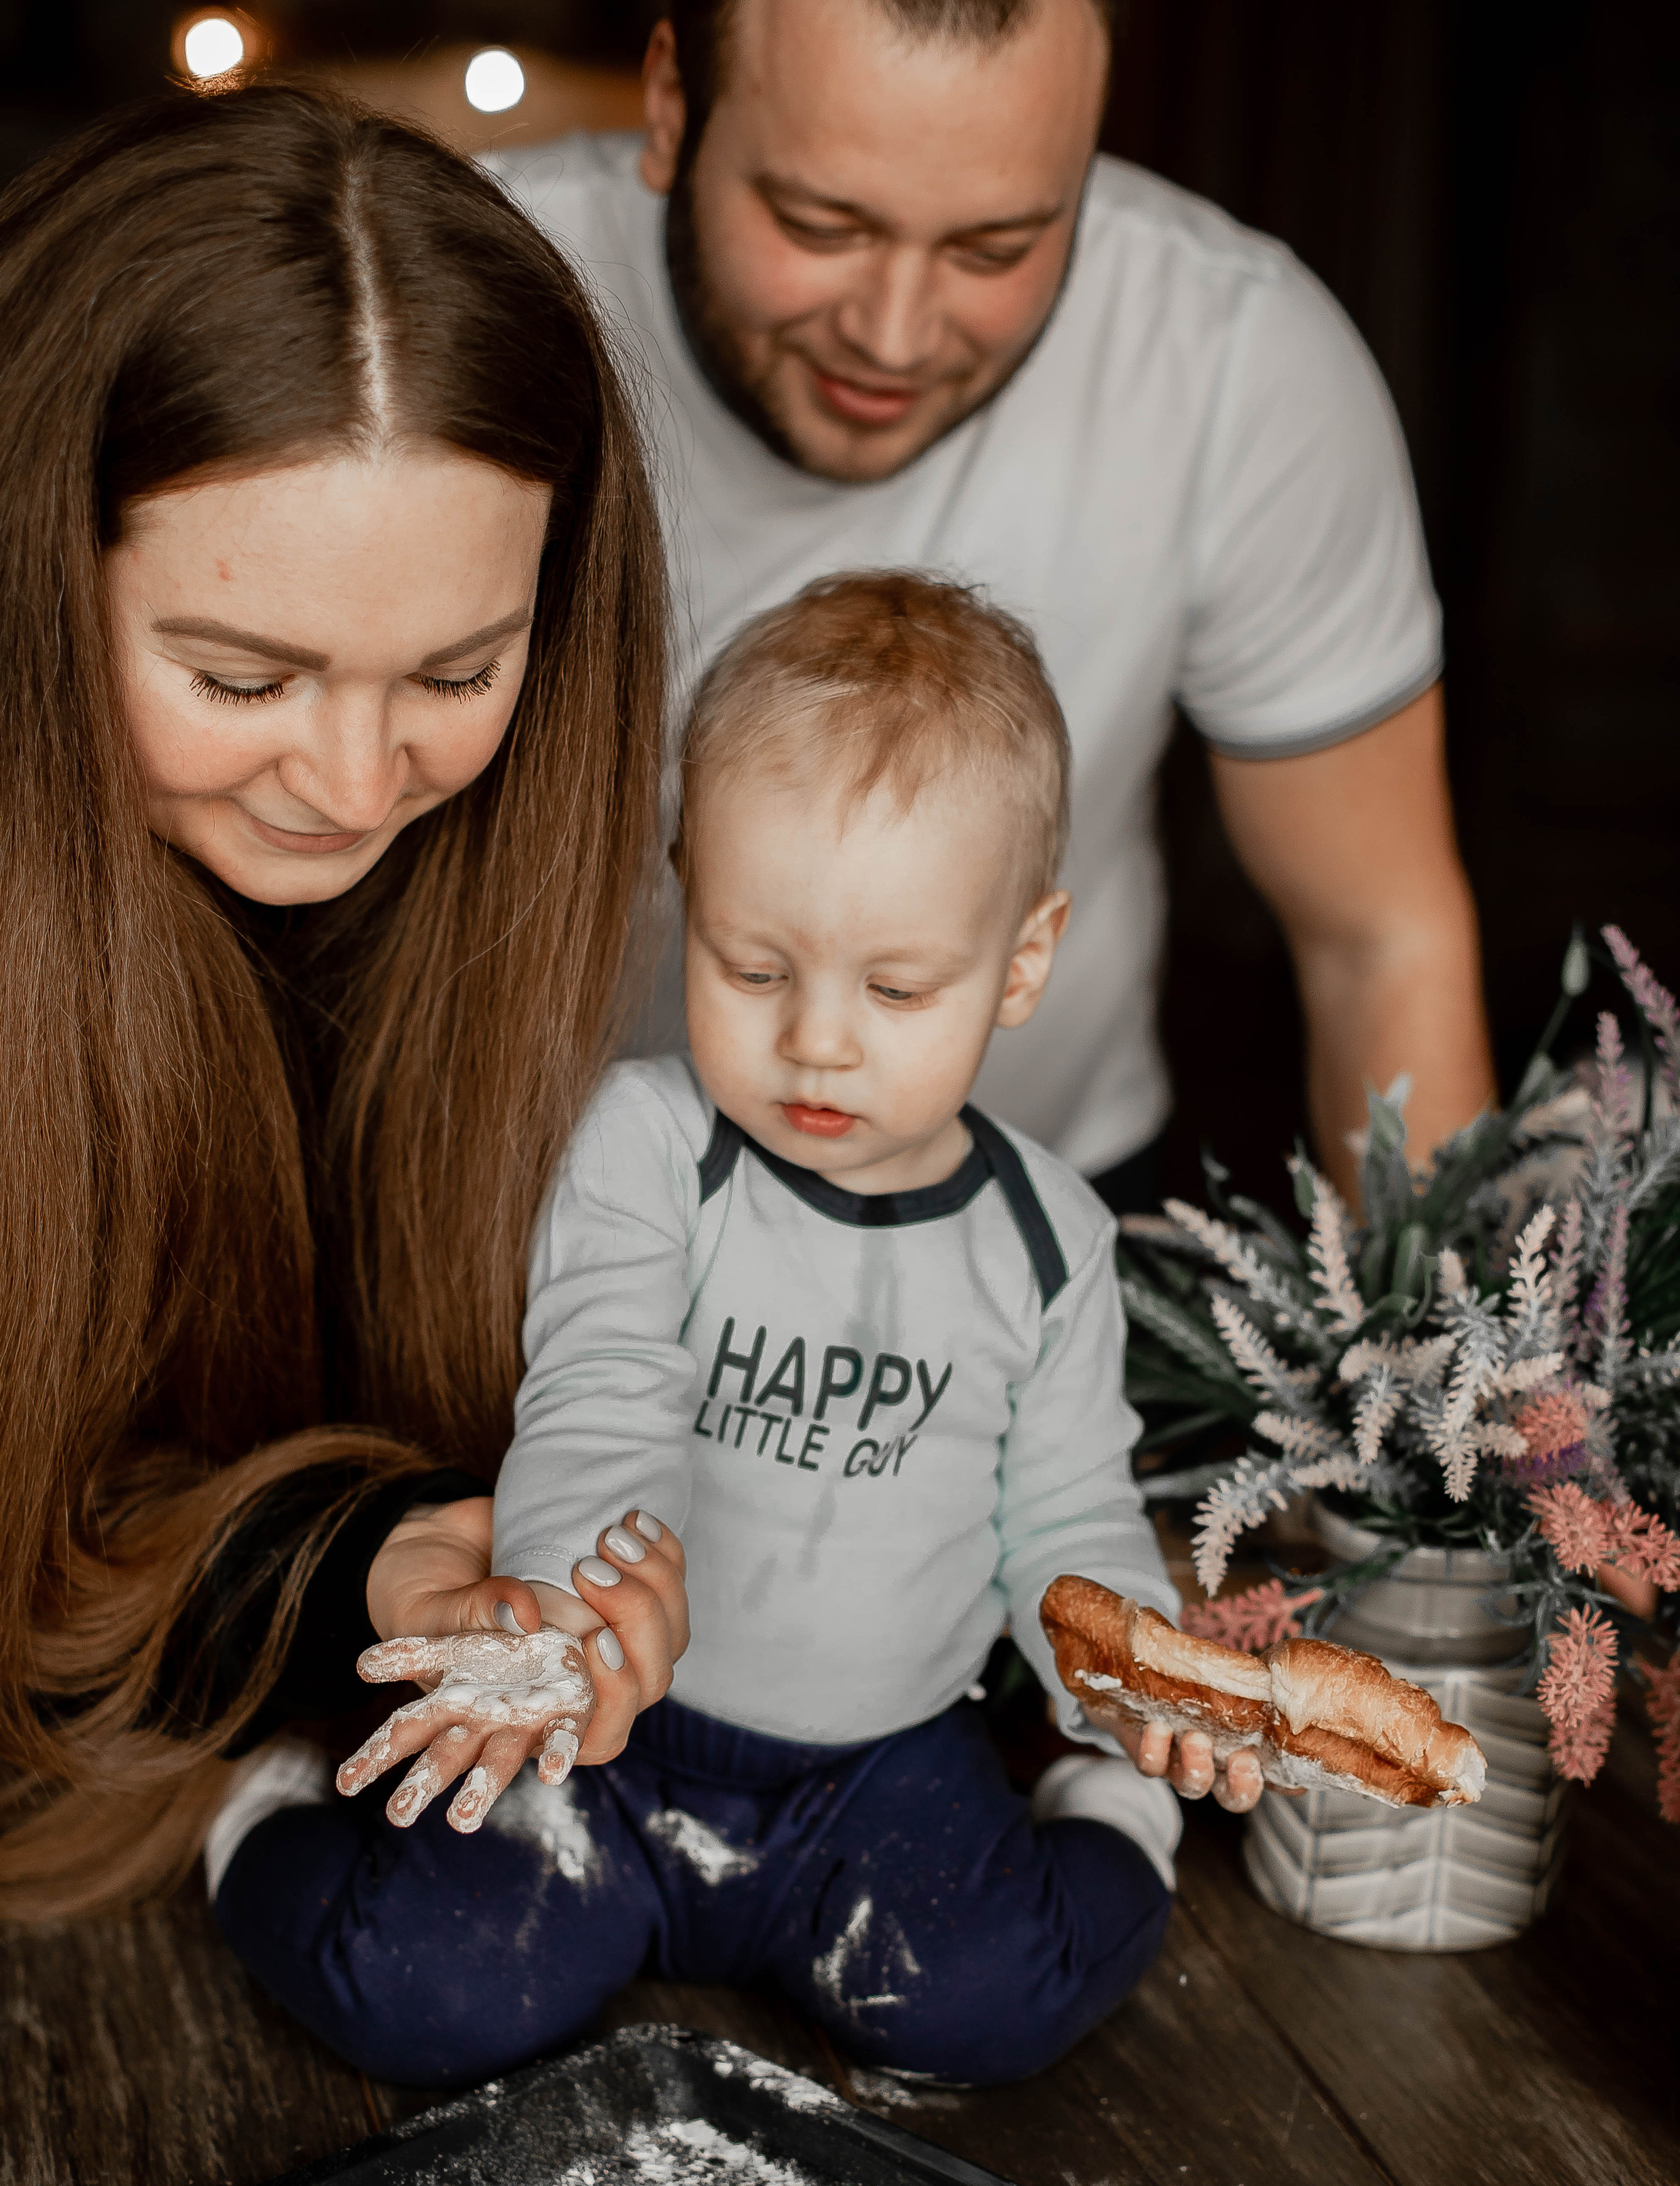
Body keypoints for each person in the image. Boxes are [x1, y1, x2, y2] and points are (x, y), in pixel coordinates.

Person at [265, 572, 1192, 2088]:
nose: (814, 1038)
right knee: (426, 1994)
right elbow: (602, 1388)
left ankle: (1105, 1825)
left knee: (982, 2003)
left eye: (896, 987)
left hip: (877, 1766)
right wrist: (575, 1621)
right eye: (751, 968)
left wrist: (1131, 1681)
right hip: (624, 1740)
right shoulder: (650, 1145)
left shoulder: (1050, 1241)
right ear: (688, 893)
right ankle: (262, 1819)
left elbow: (1070, 1514)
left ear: (1022, 959)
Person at [0, 82, 687, 1923]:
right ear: (34, 590)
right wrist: (352, 1561)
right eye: (238, 674)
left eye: (456, 667)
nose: (353, 783)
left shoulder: (484, 868)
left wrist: (456, 1558)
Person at [490, 0, 1495, 1219]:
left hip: (1036, 1199)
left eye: (996, 249)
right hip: (513, 1202)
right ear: (669, 107)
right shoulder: (471, 288)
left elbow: (1376, 937)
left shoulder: (1238, 358)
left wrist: (1477, 1382)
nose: (893, 334)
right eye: (821, 224)